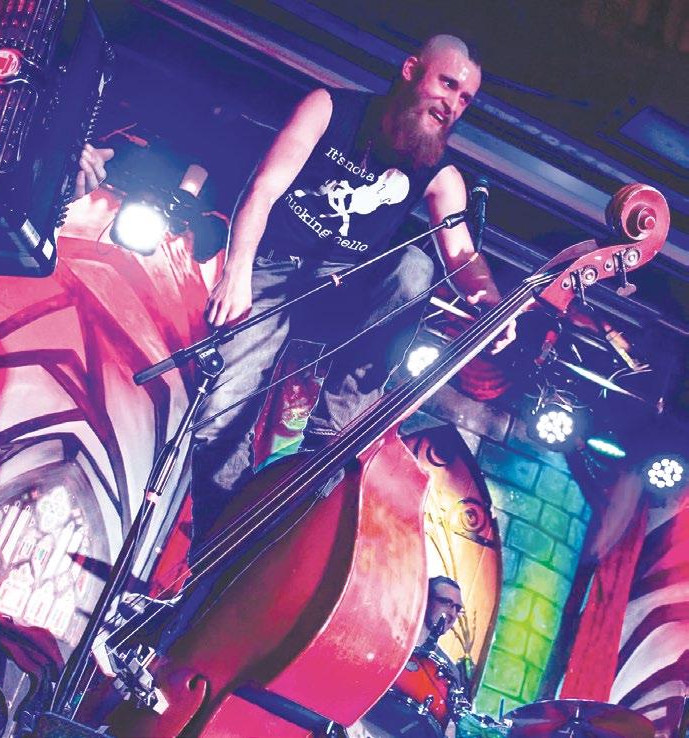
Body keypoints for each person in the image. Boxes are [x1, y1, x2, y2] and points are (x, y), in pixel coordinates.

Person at [191, 34, 516, 556]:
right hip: (272, 274)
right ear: (411, 71)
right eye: (446, 84)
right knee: (219, 418)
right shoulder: (329, 107)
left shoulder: (441, 174)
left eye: (464, 99)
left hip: (342, 291)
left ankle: (334, 428)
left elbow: (461, 255)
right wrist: (237, 270)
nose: (452, 104)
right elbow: (264, 188)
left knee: (416, 267)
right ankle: (215, 553)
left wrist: (493, 302)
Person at [347, 576, 473, 738]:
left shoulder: (448, 670)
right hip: (354, 726)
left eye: (457, 608)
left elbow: (445, 726)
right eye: (446, 603)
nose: (452, 613)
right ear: (425, 599)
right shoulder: (387, 636)